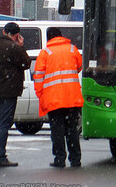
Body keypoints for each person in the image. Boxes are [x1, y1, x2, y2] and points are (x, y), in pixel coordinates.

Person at [0, 22, 30, 167]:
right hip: (9, 91)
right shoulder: (14, 48)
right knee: (3, 123)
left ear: (3, 31)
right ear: (17, 35)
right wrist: (21, 46)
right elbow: (26, 63)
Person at [33, 27, 83, 168]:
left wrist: (40, 94)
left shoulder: (45, 53)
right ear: (61, 36)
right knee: (72, 130)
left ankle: (60, 159)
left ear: (49, 38)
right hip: (72, 98)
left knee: (57, 130)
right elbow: (79, 67)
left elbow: (38, 76)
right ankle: (75, 159)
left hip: (54, 99)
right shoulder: (72, 49)